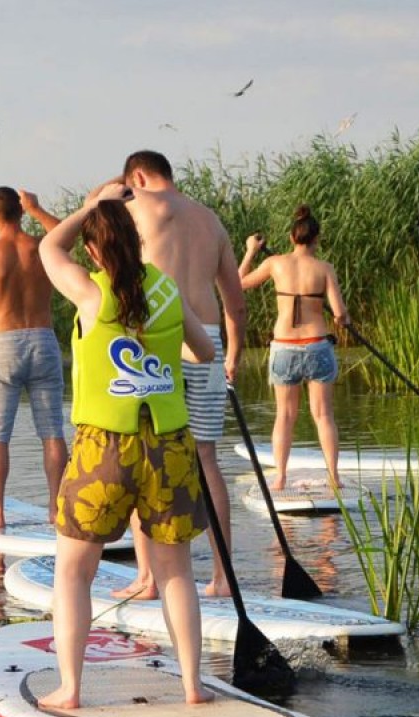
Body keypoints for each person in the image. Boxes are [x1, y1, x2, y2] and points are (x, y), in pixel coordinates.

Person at [35, 180, 219, 710]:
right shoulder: (165, 288)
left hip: (103, 449)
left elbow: (49, 246)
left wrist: (93, 205)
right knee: (176, 572)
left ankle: (70, 690)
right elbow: (205, 352)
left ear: (94, 249)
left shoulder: (91, 292)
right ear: (137, 242)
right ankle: (192, 686)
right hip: (168, 446)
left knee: (74, 571)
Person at [113, 150, 247, 600]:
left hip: (161, 337)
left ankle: (149, 579)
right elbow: (237, 303)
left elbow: (94, 228)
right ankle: (224, 577)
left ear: (137, 176)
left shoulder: (136, 208)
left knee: (146, 454)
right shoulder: (212, 222)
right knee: (206, 458)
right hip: (210, 337)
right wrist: (234, 355)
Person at [0, 187, 68, 529]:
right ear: (21, 212)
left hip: (3, 344)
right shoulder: (43, 248)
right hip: (43, 340)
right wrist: (38, 209)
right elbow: (69, 235)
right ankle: (56, 508)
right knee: (52, 430)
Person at [238, 206, 350, 490]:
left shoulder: (275, 263)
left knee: (284, 416)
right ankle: (334, 477)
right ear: (317, 239)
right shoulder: (325, 268)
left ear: (291, 237)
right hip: (317, 346)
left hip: (285, 347)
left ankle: (280, 477)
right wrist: (343, 319)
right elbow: (339, 313)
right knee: (323, 415)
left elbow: (238, 283)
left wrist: (251, 251)